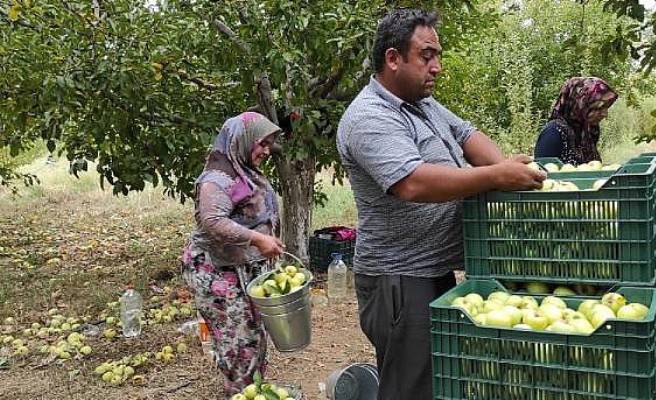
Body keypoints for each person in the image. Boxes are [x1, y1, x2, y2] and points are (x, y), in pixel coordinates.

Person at [336, 8, 546, 400]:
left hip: (431, 268)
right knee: (411, 389)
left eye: (438, 56)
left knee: (438, 381)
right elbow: (412, 182)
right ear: (393, 58)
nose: (437, 67)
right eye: (426, 55)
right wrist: (497, 177)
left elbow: (466, 134)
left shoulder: (422, 103)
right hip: (399, 277)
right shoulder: (368, 117)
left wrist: (502, 165)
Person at [181, 112, 285, 397]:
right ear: (243, 140)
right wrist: (257, 238)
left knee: (254, 339)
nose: (266, 150)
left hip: (239, 269)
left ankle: (251, 392)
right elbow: (212, 221)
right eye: (262, 143)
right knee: (239, 345)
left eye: (269, 144)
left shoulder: (243, 171)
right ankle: (241, 392)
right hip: (216, 272)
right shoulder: (217, 178)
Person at [534, 77, 618, 165]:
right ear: (581, 104)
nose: (605, 114)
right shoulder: (553, 133)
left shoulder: (588, 130)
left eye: (606, 108)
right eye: (599, 108)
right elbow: (541, 172)